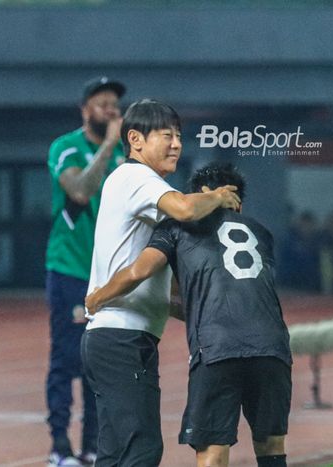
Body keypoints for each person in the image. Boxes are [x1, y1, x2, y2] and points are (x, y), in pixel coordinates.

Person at [85, 163, 292, 467]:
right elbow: (230, 291)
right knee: (271, 446)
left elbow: (139, 271)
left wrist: (98, 296)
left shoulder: (177, 227)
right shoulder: (261, 233)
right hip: (273, 347)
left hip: (217, 349)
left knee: (212, 450)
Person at [80, 100, 241, 467]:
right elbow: (185, 208)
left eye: (179, 136)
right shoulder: (136, 178)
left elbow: (155, 286)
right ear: (135, 139)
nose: (176, 144)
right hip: (121, 339)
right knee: (140, 452)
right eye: (167, 135)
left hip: (115, 338)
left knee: (117, 454)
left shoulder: (132, 187)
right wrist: (218, 196)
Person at [45, 76, 127, 467]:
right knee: (66, 358)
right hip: (69, 270)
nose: (111, 110)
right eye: (103, 103)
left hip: (108, 274)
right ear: (85, 110)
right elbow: (78, 190)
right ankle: (60, 447)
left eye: (115, 104)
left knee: (101, 361)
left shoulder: (125, 156)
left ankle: (93, 446)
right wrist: (110, 145)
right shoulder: (67, 147)